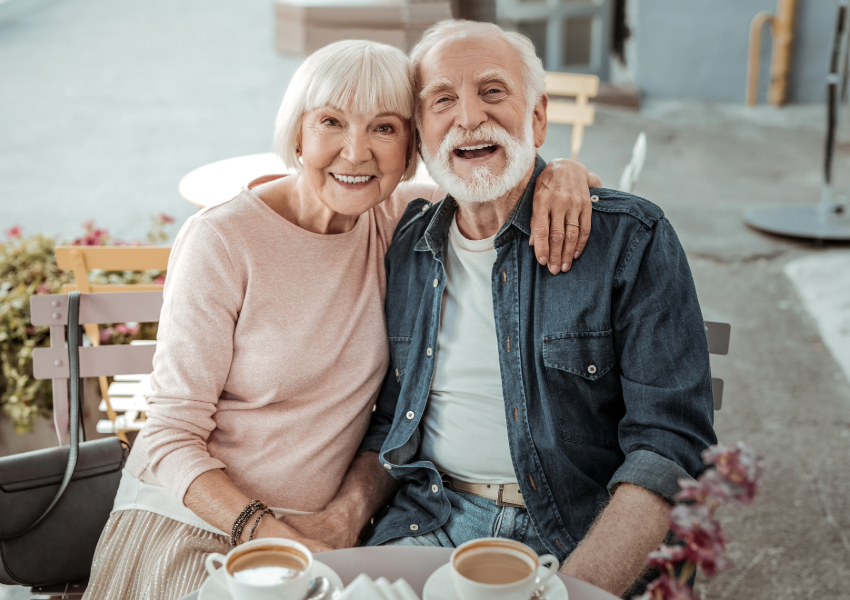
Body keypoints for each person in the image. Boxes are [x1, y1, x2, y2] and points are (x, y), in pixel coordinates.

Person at [81, 38, 600, 600]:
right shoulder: (222, 240)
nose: (356, 154)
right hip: (196, 523)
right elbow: (167, 436)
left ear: (411, 149)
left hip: (329, 533)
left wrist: (564, 174)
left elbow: (499, 176)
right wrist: (272, 538)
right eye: (332, 121)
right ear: (297, 132)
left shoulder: (399, 221)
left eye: (384, 128)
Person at [293, 21, 718, 598]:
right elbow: (395, 419)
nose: (468, 117)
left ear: (538, 118)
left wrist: (577, 588)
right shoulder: (408, 242)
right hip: (433, 519)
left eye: (492, 92)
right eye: (443, 99)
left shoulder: (628, 239)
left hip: (581, 528)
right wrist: (342, 517)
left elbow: (669, 446)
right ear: (421, 137)